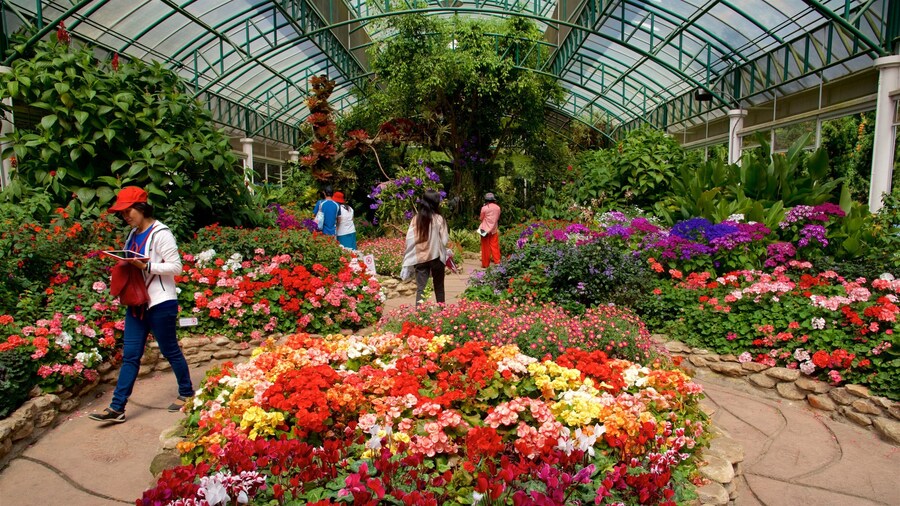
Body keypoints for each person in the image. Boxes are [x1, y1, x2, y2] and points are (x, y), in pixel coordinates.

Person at [89, 187, 193, 423]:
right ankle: (117, 408)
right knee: (131, 356)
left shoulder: (161, 233)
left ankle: (186, 393)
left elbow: (176, 268)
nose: (126, 217)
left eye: (129, 211)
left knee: (170, 350)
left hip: (160, 303)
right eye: (123, 213)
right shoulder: (133, 234)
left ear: (142, 208)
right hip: (136, 303)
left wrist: (145, 266)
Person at [401, 190, 449, 306]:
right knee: (439, 286)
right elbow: (444, 240)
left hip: (420, 258)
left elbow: (409, 239)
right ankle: (442, 311)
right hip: (436, 257)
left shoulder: (415, 219)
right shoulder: (439, 219)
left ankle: (420, 315)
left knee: (421, 289)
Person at [478, 192, 501, 268]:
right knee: (494, 246)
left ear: (486, 200)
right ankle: (497, 262)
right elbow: (497, 218)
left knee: (485, 247)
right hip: (494, 229)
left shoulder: (484, 208)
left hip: (484, 229)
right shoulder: (498, 208)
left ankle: (485, 264)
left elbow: (481, 218)